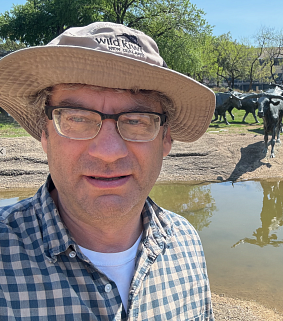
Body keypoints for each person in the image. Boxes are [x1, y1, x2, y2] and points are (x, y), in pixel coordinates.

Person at [0, 22, 215, 320]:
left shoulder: (186, 244)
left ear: (166, 139)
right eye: (77, 118)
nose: (109, 152)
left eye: (137, 120)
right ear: (44, 134)